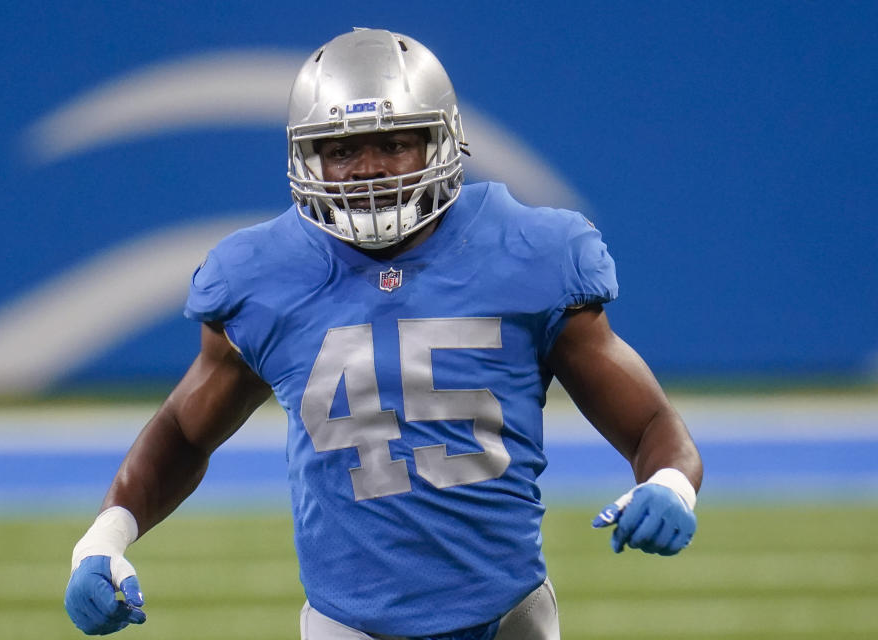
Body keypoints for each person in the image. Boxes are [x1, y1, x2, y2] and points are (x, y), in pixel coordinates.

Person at [64, 28, 703, 640]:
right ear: (306, 157)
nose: (369, 169)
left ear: (442, 142)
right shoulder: (262, 276)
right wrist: (104, 537)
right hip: (351, 624)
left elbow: (652, 426)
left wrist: (668, 484)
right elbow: (182, 431)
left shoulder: (531, 252)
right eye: (342, 150)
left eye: (395, 143)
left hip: (511, 617)